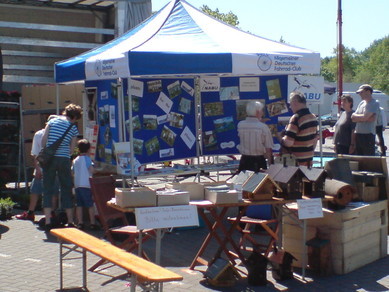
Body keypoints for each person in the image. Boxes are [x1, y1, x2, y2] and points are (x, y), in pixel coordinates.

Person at [41, 104, 82, 231]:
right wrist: (66, 154)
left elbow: (44, 139)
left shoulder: (52, 121)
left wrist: (47, 151)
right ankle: (70, 221)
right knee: (66, 188)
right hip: (64, 159)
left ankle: (48, 220)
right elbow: (72, 148)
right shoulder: (73, 128)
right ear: (74, 116)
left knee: (47, 188)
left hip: (50, 159)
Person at [15, 115, 59, 221]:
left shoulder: (39, 134)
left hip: (42, 167)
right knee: (53, 192)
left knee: (35, 191)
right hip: (54, 168)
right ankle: (51, 213)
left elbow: (35, 154)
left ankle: (31, 212)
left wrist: (38, 169)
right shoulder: (59, 135)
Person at [279, 91, 318, 167]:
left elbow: (288, 142)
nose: (290, 107)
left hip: (296, 162)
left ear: (295, 102)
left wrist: (279, 137)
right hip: (308, 160)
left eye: (290, 104)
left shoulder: (296, 118)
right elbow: (315, 140)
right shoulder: (313, 117)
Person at [237, 100, 273, 172]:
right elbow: (268, 149)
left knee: (245, 182)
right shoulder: (263, 127)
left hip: (244, 160)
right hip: (258, 161)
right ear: (257, 112)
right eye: (261, 111)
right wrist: (271, 166)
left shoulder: (240, 125)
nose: (263, 113)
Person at [72, 139, 98, 230]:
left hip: (77, 185)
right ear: (88, 150)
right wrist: (95, 167)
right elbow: (91, 170)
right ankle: (92, 223)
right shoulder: (87, 159)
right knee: (90, 205)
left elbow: (73, 171)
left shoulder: (75, 160)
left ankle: (80, 222)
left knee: (79, 205)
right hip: (86, 185)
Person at [351, 84, 380, 156]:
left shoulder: (374, 103)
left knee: (368, 157)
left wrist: (361, 118)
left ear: (368, 91)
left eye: (361, 92)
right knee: (359, 157)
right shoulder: (361, 103)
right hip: (358, 134)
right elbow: (353, 117)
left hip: (368, 135)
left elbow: (365, 117)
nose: (360, 94)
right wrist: (364, 118)